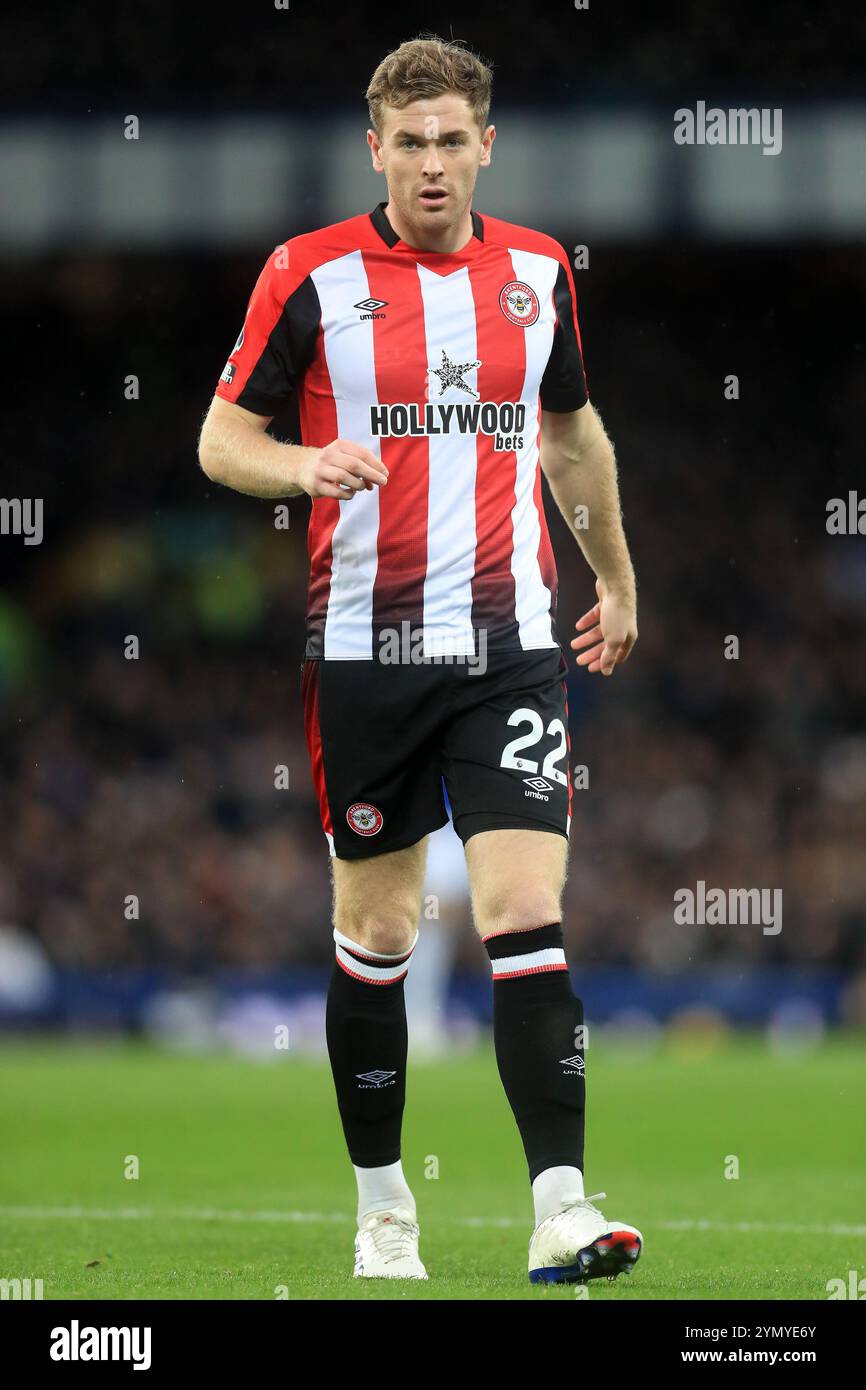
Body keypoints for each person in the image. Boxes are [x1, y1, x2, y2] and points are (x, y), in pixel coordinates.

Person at [198, 34, 641, 1285]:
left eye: (454, 141)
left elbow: (567, 433)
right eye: (410, 142)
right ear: (375, 148)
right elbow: (222, 439)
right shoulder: (308, 273)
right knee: (379, 929)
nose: (432, 164)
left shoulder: (539, 272)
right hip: (366, 646)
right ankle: (384, 1209)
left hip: (507, 641)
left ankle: (559, 1204)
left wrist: (612, 576)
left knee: (519, 910)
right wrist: (298, 465)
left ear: (485, 145)